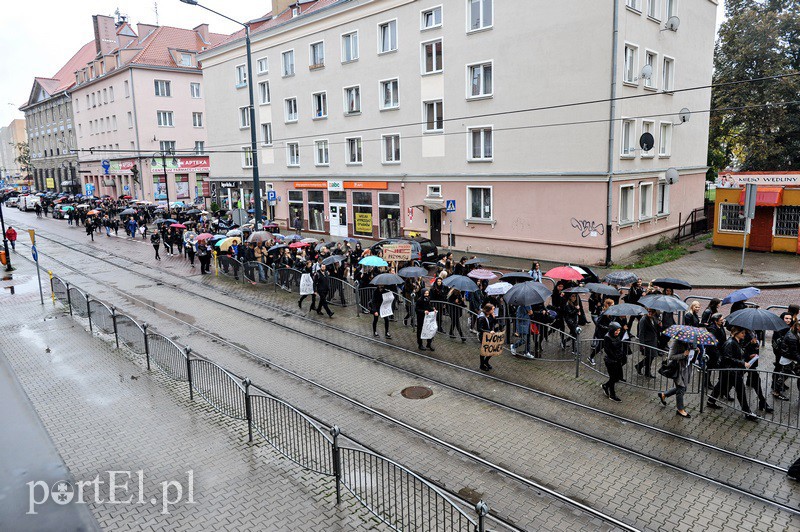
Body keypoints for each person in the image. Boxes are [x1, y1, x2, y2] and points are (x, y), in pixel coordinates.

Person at [706, 326, 758, 421]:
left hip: (731, 371)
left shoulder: (737, 342)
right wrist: (742, 363)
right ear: (736, 333)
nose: (744, 334)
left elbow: (739, 353)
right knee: (741, 391)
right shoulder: (730, 343)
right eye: (742, 333)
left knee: (721, 384)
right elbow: (727, 358)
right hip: (731, 371)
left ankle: (711, 400)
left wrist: (749, 352)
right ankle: (747, 412)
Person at [657, 339, 693, 418]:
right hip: (678, 369)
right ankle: (680, 410)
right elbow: (670, 356)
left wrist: (696, 352)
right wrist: (683, 354)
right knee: (681, 388)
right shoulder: (676, 342)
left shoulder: (689, 342)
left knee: (683, 388)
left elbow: (690, 355)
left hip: (686, 368)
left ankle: (664, 394)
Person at [601, 322, 625, 402]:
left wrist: (621, 354)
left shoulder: (617, 336)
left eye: (619, 330)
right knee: (613, 377)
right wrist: (615, 356)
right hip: (611, 361)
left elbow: (619, 346)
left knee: (617, 377)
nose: (618, 332)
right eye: (616, 330)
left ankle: (605, 385)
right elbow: (607, 350)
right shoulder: (607, 337)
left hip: (617, 360)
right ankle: (612, 395)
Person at [635, 308, 660, 378]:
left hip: (653, 341)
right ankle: (646, 371)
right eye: (649, 311)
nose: (650, 313)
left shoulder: (653, 318)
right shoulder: (643, 320)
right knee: (650, 357)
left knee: (651, 357)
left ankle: (640, 367)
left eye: (652, 312)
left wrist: (659, 325)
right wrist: (642, 345)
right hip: (647, 342)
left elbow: (655, 329)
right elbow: (641, 333)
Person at [477, 303, 499, 371]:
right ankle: (482, 365)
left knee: (492, 349)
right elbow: (479, 328)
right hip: (484, 336)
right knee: (484, 350)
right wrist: (489, 331)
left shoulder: (489, 316)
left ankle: (485, 361)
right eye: (492, 310)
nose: (493, 311)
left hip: (490, 335)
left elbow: (493, 323)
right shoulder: (482, 317)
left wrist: (494, 317)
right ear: (488, 310)